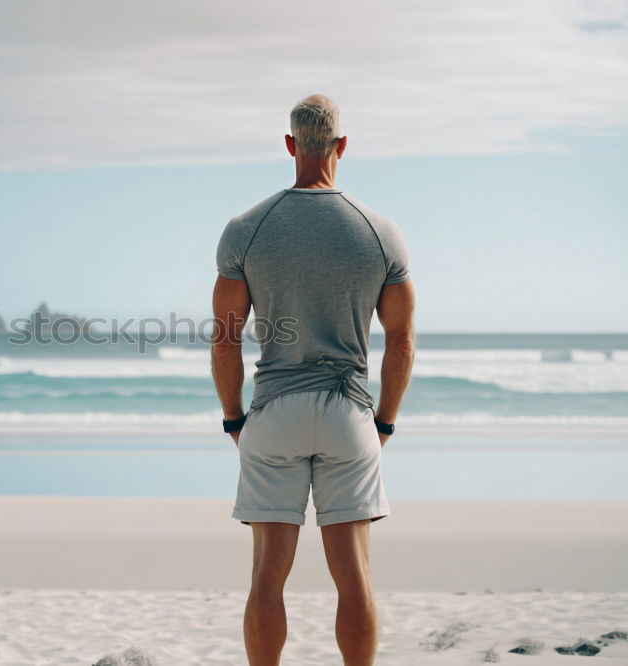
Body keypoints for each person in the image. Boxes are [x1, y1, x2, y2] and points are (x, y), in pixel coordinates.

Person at [211, 94, 415, 666]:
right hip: (348, 413)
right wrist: (384, 424)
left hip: (274, 413)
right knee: (354, 576)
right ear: (342, 147)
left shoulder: (245, 229)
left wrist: (234, 418)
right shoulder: (380, 233)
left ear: (289, 145)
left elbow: (225, 336)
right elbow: (401, 340)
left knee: (267, 576)